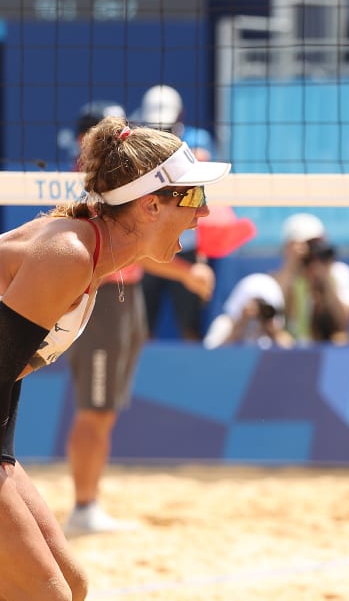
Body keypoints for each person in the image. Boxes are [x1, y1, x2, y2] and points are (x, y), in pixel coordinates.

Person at [0, 115, 227, 600]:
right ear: (148, 206)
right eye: (193, 197)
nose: (204, 213)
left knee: (73, 585)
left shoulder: (90, 254)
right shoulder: (68, 253)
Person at [64, 103, 220, 537]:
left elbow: (137, 247)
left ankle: (88, 503)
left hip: (124, 292)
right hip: (103, 297)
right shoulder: (96, 188)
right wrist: (188, 273)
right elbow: (127, 246)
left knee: (104, 408)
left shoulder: (115, 184)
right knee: (95, 409)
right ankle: (83, 506)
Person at [137, 85, 219, 341]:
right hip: (149, 240)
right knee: (143, 327)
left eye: (167, 129)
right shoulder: (139, 142)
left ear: (180, 116)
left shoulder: (197, 139)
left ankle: (194, 377)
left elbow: (202, 160)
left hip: (188, 243)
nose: (162, 134)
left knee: (190, 325)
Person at [275, 213, 349, 345]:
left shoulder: (338, 272)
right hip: (293, 350)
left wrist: (323, 277)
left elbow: (344, 322)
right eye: (309, 243)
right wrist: (292, 265)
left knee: (341, 339)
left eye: (318, 242)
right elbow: (275, 315)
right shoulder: (283, 276)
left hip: (326, 348)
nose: (312, 249)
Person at [203, 272, 294, 350]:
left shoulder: (275, 329)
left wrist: (273, 332)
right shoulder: (225, 323)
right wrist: (238, 327)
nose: (258, 310)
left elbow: (294, 355)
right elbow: (209, 357)